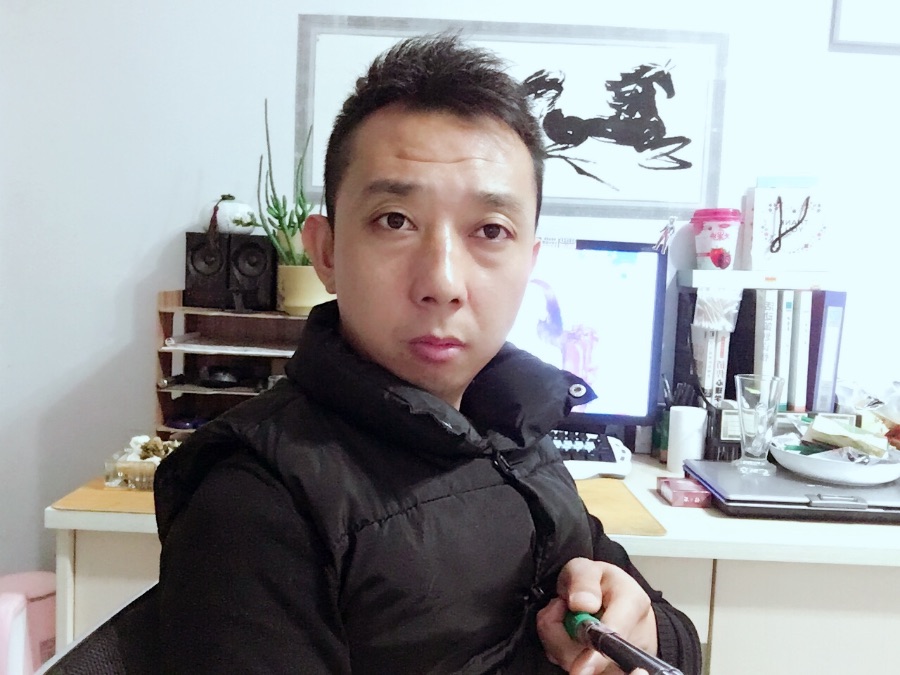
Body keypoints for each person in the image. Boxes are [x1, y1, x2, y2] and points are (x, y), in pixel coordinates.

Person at [154, 34, 701, 675]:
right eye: (395, 220)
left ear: (529, 262)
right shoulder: (256, 502)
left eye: (490, 230)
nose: (442, 281)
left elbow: (677, 644)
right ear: (325, 252)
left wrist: (645, 629)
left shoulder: (513, 428)